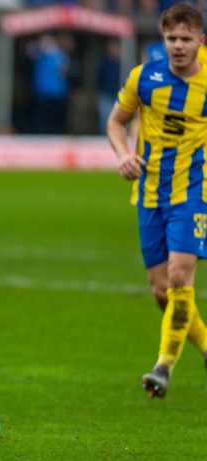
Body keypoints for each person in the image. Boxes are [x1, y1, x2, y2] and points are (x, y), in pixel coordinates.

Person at [107, 2, 207, 399]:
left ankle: (163, 366)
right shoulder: (144, 77)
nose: (178, 46)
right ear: (163, 39)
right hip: (149, 192)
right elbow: (116, 122)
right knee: (162, 291)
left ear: (200, 41)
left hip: (194, 192)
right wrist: (123, 155)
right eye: (171, 38)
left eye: (186, 39)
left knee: (181, 278)